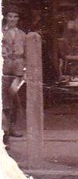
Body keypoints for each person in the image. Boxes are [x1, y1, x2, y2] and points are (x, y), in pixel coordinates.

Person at [3, 7, 27, 143]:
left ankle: (11, 127)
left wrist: (25, 70)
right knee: (5, 101)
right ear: (6, 17)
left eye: (15, 17)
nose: (12, 19)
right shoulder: (1, 32)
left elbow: (27, 55)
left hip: (18, 72)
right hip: (4, 70)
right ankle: (5, 132)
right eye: (10, 16)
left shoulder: (23, 35)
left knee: (15, 99)